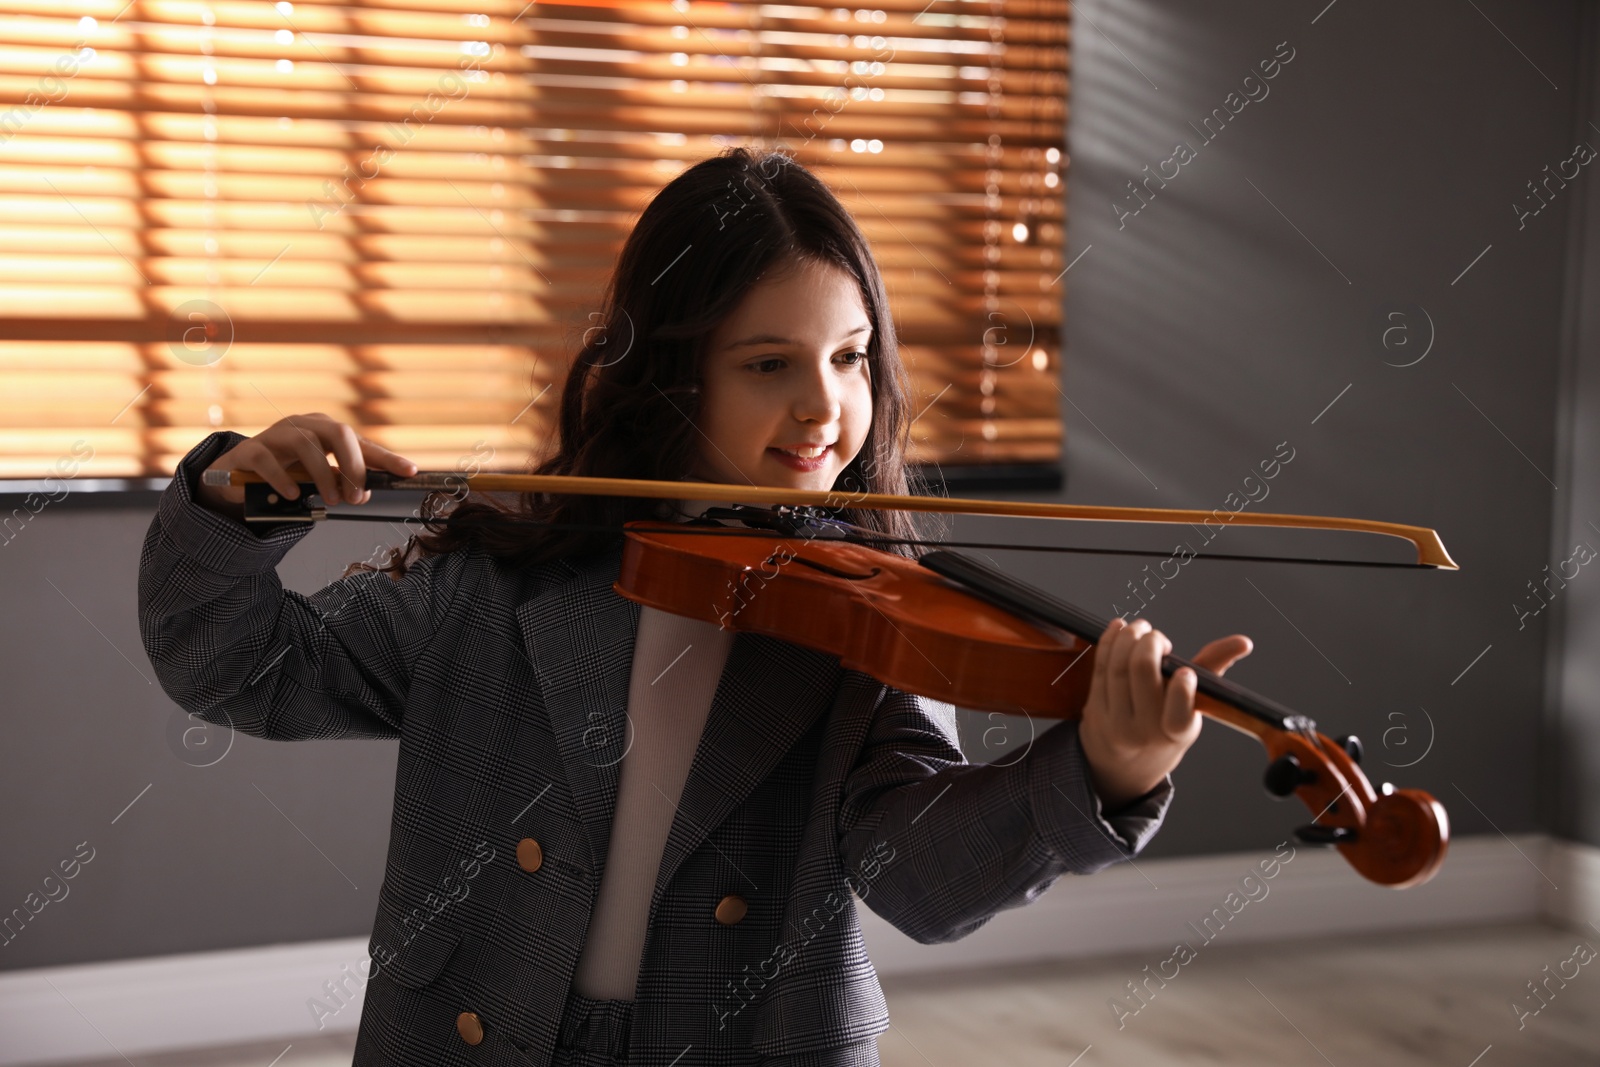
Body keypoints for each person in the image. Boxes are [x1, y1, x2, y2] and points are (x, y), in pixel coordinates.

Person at [138, 146, 1251, 1067]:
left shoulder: (867, 611)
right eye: (770, 363)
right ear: (669, 373)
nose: (825, 404)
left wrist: (1102, 770)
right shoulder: (497, 573)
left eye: (852, 357)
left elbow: (917, 875)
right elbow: (235, 663)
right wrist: (239, 506)